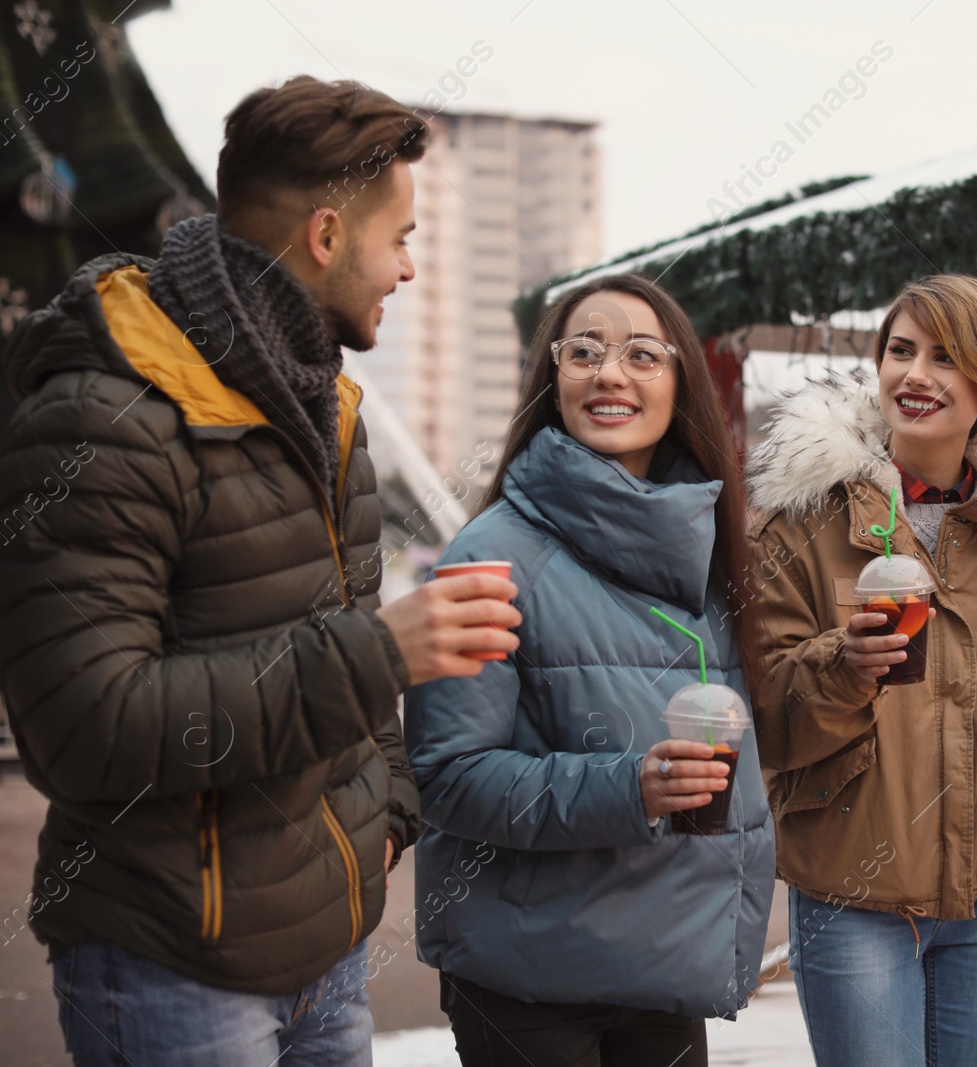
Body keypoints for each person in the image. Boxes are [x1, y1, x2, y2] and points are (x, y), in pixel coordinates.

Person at [0, 77, 522, 1067]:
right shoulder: (100, 415)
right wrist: (377, 654)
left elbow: (346, 628)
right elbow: (83, 727)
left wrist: (390, 817)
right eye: (401, 237)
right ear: (326, 234)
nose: (409, 268)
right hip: (171, 970)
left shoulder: (327, 404)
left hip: (329, 958)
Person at [403, 273, 775, 1067]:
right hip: (529, 982)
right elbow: (447, 776)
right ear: (552, 380)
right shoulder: (490, 558)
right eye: (584, 352)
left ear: (681, 386)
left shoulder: (712, 557)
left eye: (643, 353)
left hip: (665, 966)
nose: (610, 373)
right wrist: (627, 786)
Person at [745, 274, 977, 1067]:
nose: (916, 375)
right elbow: (764, 712)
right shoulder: (804, 515)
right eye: (900, 351)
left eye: (947, 357)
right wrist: (846, 666)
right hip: (855, 898)